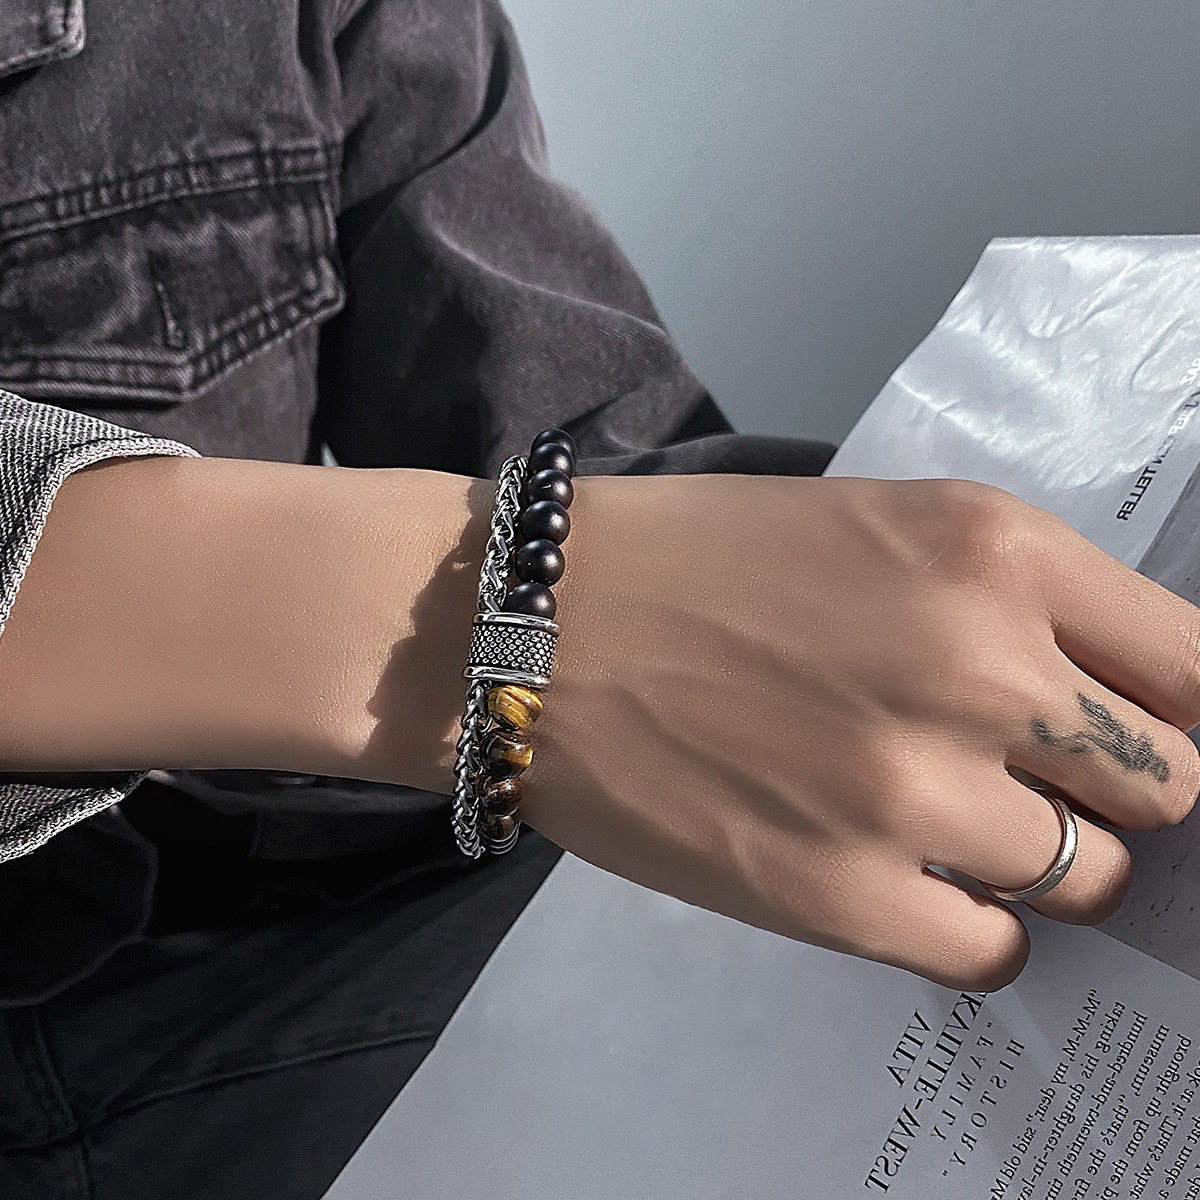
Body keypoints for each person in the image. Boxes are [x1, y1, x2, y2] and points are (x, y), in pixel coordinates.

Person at [2, 0, 1199, 1196]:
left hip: (327, 909)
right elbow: (578, 572)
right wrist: (497, 631)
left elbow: (581, 452)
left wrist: (1021, 593)